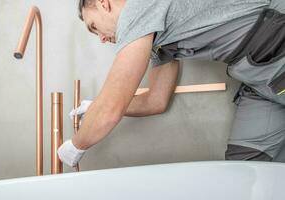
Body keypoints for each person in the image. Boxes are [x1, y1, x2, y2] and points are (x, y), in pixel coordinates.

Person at [57, 0, 285, 167]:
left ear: (103, 3)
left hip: (277, 48)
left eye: (94, 26)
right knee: (247, 169)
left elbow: (110, 110)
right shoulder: (156, 39)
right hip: (259, 81)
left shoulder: (138, 9)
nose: (101, 38)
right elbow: (156, 100)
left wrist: (76, 145)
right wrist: (95, 106)